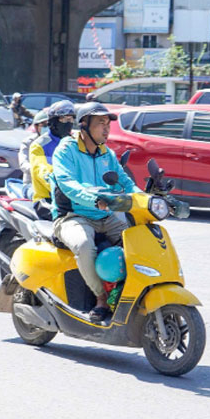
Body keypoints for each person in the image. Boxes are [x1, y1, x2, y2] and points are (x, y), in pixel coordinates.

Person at [51, 102, 140, 322]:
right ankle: (100, 298)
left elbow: (125, 182)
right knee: (84, 245)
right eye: (100, 123)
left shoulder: (106, 154)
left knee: (139, 240)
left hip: (105, 215)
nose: (106, 128)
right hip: (73, 216)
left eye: (107, 124)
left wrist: (145, 198)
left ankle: (131, 292)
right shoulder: (66, 149)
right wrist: (94, 199)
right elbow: (67, 183)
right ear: (84, 124)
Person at [29, 100, 75, 220]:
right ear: (53, 122)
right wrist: (62, 185)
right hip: (47, 199)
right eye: (64, 119)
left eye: (71, 120)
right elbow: (42, 171)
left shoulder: (75, 143)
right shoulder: (39, 145)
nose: (68, 123)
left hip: (75, 197)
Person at [18, 108, 49, 188]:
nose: (47, 128)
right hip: (32, 183)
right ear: (36, 126)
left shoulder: (58, 141)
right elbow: (23, 164)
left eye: (48, 125)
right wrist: (40, 171)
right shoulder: (28, 142)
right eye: (43, 125)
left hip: (52, 182)